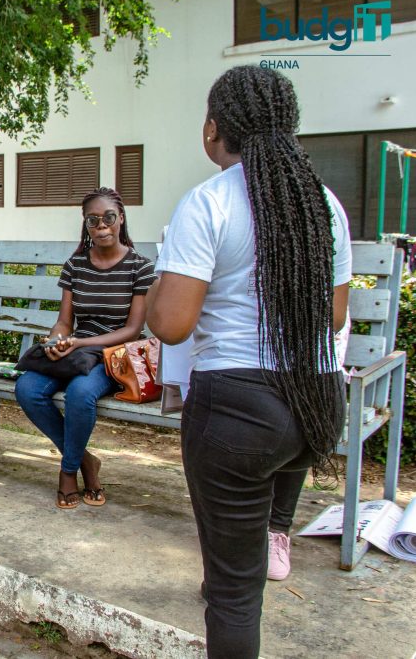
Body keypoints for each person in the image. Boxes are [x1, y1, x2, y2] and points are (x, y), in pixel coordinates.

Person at [146, 65, 351, 659]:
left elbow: (171, 324)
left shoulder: (208, 202)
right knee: (241, 550)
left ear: (214, 130)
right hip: (314, 402)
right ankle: (247, 554)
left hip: (237, 409)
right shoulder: (324, 204)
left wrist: (166, 274)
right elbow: (334, 320)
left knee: (236, 595)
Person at [14, 188, 155, 509]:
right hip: (78, 352)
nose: (102, 226)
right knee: (27, 387)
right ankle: (85, 460)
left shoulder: (139, 267)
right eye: (93, 220)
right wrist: (56, 340)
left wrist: (79, 341)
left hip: (114, 357)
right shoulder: (76, 265)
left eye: (109, 218)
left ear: (121, 219)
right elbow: (65, 321)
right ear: (86, 224)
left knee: (80, 393)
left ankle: (68, 472)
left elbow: (132, 330)